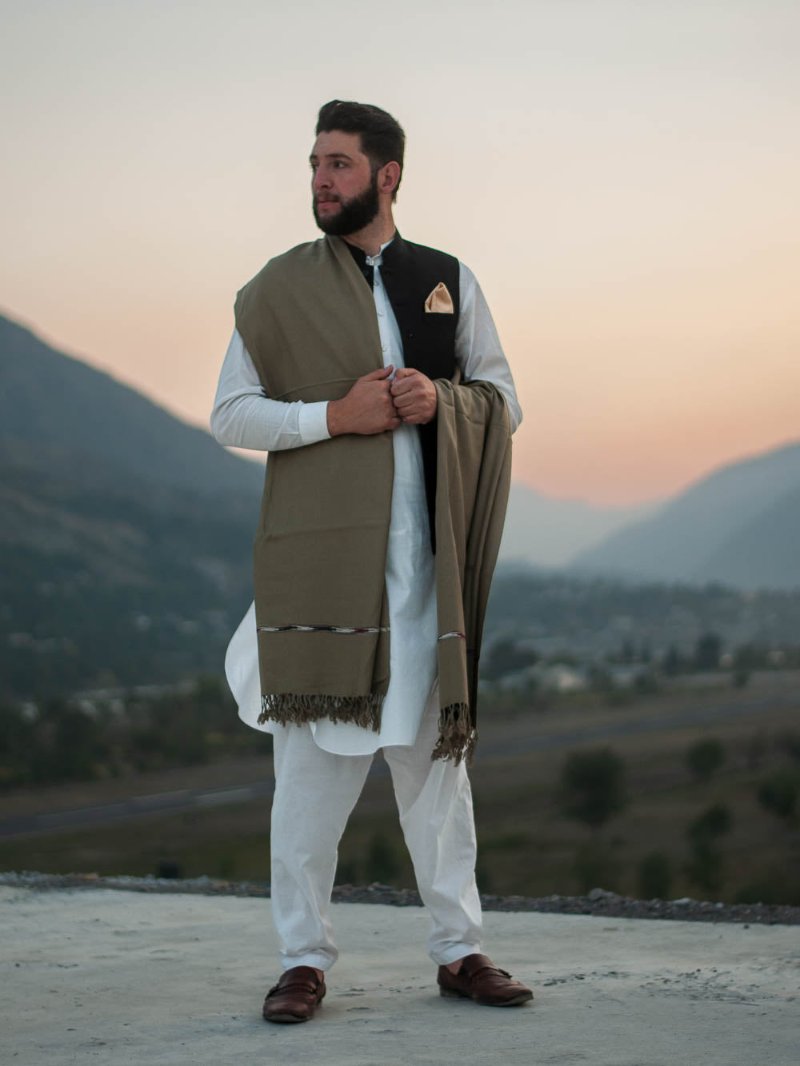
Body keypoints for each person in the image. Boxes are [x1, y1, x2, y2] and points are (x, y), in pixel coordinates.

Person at [210, 99, 531, 1024]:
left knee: (439, 780)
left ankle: (461, 949)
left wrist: (443, 401)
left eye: (340, 164)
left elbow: (503, 401)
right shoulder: (275, 291)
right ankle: (302, 960)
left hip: (425, 570)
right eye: (314, 163)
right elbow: (231, 414)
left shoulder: (447, 279)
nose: (321, 179)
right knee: (308, 785)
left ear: (387, 176)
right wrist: (331, 419)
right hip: (320, 578)